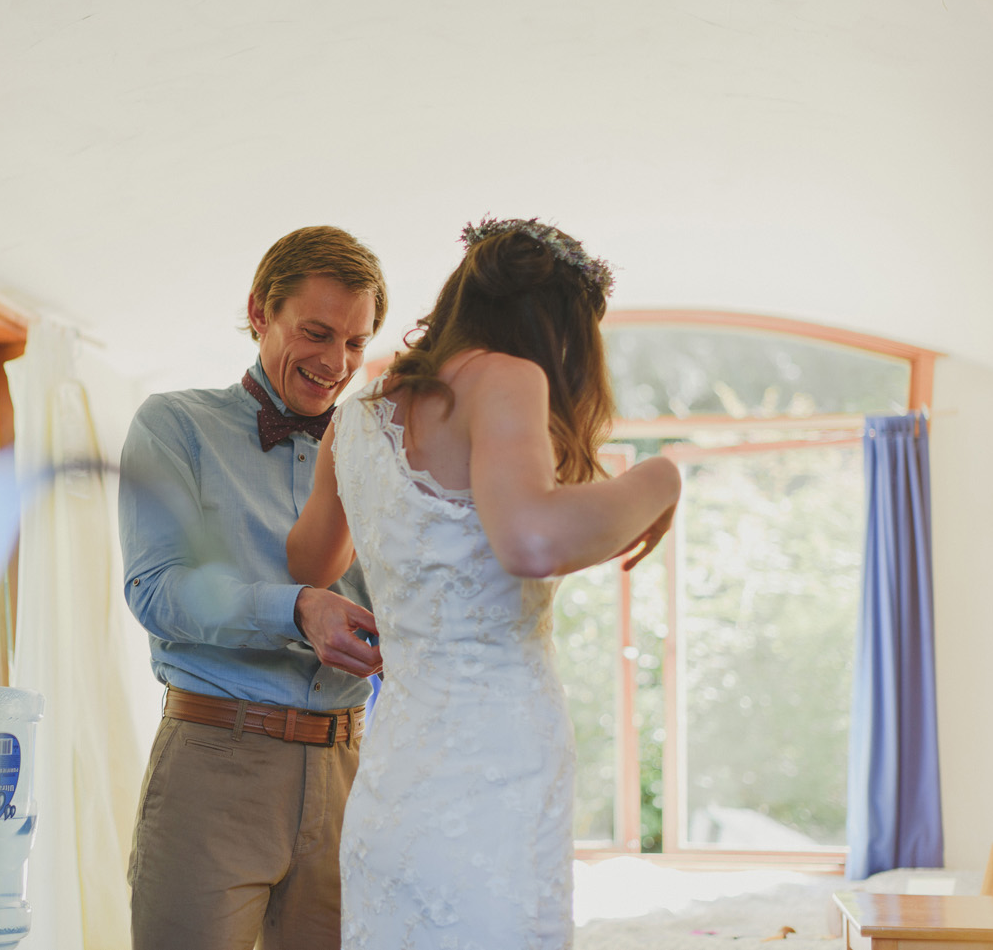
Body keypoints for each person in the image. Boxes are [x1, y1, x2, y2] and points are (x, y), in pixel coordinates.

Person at [288, 217, 682, 948]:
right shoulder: (507, 376)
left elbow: (310, 563)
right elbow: (532, 540)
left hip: (395, 770)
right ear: (557, 329)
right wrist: (658, 478)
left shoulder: (356, 420)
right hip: (495, 761)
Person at [118, 225, 389, 950]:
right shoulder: (174, 425)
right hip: (215, 768)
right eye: (317, 332)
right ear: (259, 312)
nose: (336, 363)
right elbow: (157, 590)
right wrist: (296, 608)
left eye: (356, 343)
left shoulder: (378, 452)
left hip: (349, 773)